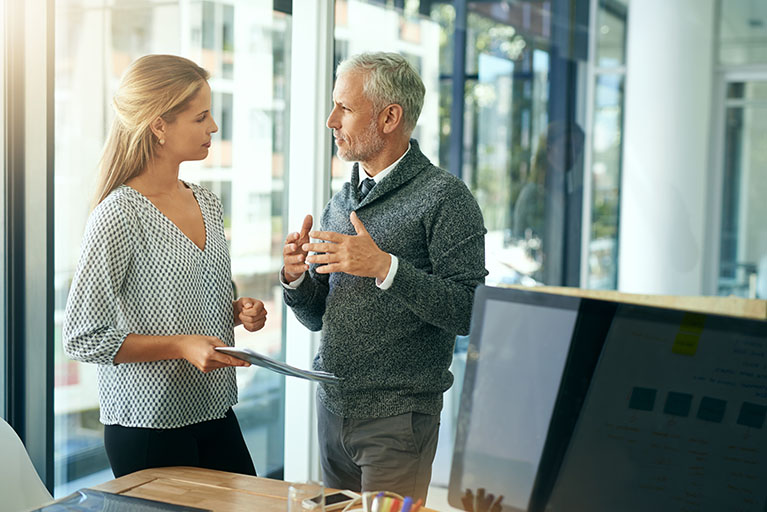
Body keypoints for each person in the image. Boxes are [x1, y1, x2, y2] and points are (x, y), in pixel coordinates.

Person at [281, 52, 488, 501]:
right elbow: (320, 316)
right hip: (333, 409)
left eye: (346, 108)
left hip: (398, 422)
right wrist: (297, 280)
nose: (331, 119)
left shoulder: (445, 197)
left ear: (390, 116)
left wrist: (385, 267)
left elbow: (470, 312)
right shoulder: (344, 198)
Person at [63, 54, 266, 478]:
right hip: (148, 425)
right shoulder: (119, 214)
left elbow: (177, 304)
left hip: (214, 409)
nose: (213, 127)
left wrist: (235, 312)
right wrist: (180, 346)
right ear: (159, 125)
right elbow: (83, 336)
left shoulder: (208, 203)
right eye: (201, 117)